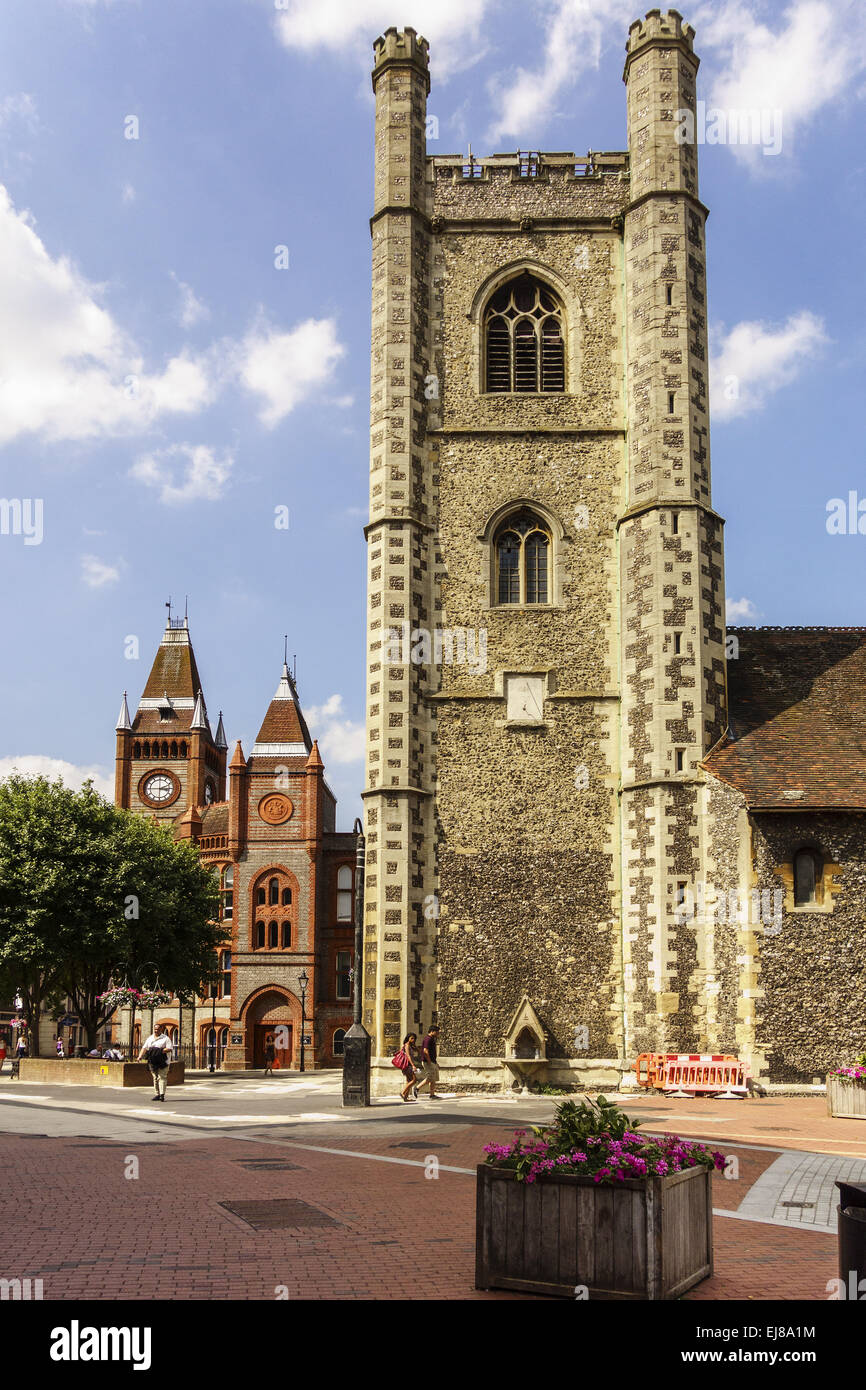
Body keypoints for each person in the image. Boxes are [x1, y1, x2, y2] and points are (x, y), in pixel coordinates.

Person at [137, 1022, 173, 1101]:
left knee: (162, 1077)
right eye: (155, 1029)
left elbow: (169, 1048)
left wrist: (158, 1051)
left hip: (163, 1062)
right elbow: (144, 1048)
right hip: (153, 1061)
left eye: (158, 1029)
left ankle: (162, 1095)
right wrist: (140, 1056)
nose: (156, 1031)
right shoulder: (150, 1038)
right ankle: (157, 1094)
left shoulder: (166, 1038)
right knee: (155, 1078)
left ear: (161, 1029)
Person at [415, 1025, 441, 1100]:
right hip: (428, 1062)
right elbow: (425, 1051)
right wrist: (429, 1061)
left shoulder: (432, 1039)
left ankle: (432, 1094)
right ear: (432, 1031)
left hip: (432, 1061)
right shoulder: (428, 1039)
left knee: (433, 1078)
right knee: (430, 1077)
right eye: (437, 1032)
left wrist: (435, 1063)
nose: (438, 1034)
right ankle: (417, 1088)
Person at [398, 1032, 421, 1102]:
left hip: (409, 1065)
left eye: (414, 1039)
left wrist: (414, 1045)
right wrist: (413, 1065)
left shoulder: (410, 1046)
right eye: (411, 1038)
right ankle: (402, 1092)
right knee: (414, 1080)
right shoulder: (407, 1045)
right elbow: (408, 1056)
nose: (413, 1040)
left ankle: (405, 1097)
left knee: (408, 1081)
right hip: (408, 1065)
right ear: (408, 1038)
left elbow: (418, 1051)